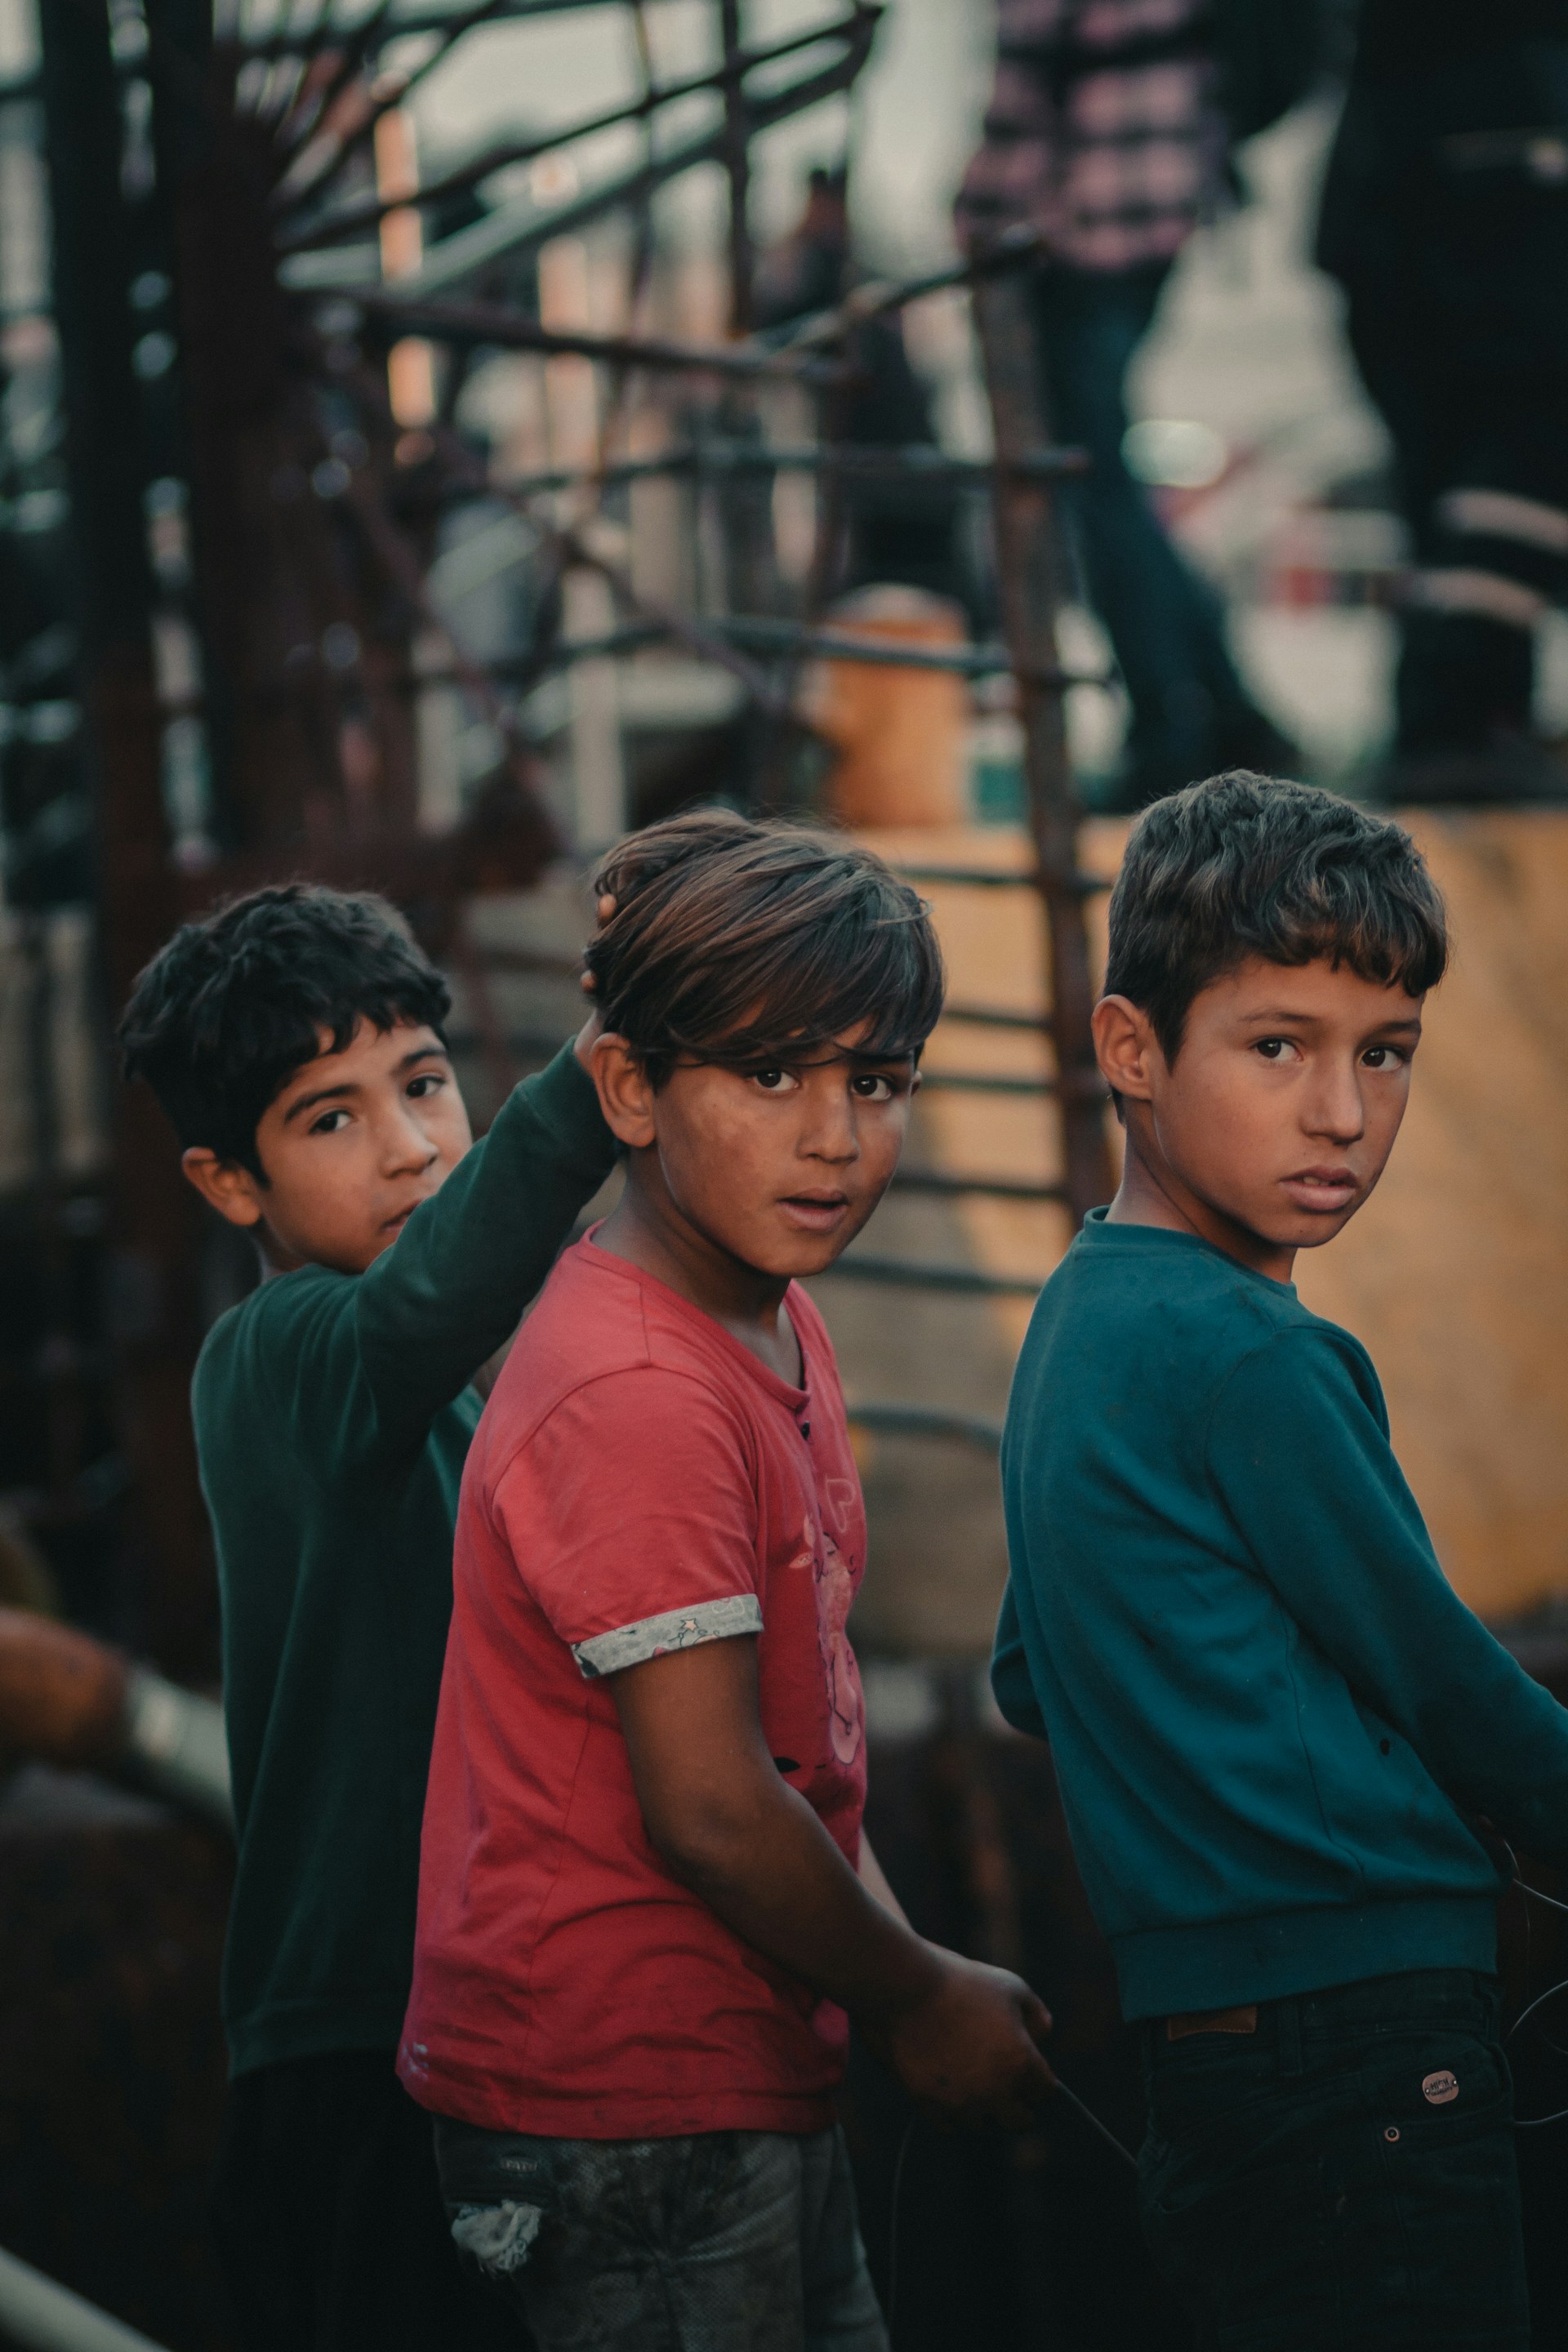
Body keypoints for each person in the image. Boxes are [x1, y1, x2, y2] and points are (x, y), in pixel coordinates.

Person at [399, 812, 1056, 2351]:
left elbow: (794, 1760)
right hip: (620, 2112)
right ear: (628, 1089)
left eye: (875, 1083)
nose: (833, 1135)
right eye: (770, 1076)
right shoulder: (636, 1391)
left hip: (733, 2070)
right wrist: (914, 1995)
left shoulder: (767, 1315)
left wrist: (912, 1976)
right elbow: (708, 1806)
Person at [991, 770, 1568, 2348]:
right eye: (1277, 1048)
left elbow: (1031, 1670)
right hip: (1369, 2050)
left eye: (1385, 1055)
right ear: (1132, 1050)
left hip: (1214, 2053)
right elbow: (1450, 1690)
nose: (1343, 1112)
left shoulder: (1077, 1326)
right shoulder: (1251, 1357)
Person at [118, 882, 620, 2352]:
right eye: (329, 1119)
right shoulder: (271, 1360)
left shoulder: (480, 1379)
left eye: (420, 1084)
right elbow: (429, 1302)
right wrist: (607, 1067)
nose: (408, 1145)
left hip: (505, 2023)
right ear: (229, 1185)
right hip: (360, 2044)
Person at [956, 0, 1302, 808]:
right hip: (1165, 212)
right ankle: (1228, 711)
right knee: (1105, 486)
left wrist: (971, 221)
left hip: (1081, 228)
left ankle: (1171, 728)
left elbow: (1020, 99)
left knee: (1094, 491)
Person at [1316, 0, 1568, 803]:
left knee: (1456, 479)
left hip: (1396, 200)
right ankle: (1455, 721)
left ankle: (1466, 721)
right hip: (1489, 185)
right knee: (1522, 453)